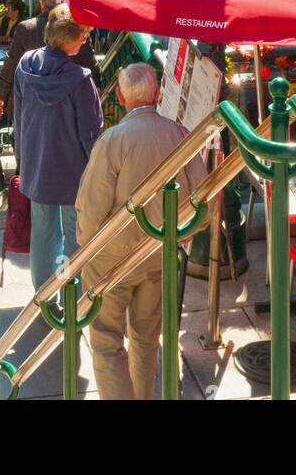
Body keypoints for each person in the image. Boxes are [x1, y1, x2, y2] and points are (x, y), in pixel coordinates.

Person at [75, 62, 208, 401]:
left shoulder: (112, 140)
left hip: (112, 258)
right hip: (159, 252)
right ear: (159, 94)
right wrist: (183, 235)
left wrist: (85, 250)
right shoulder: (179, 134)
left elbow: (91, 209)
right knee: (147, 338)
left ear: (118, 97)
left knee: (106, 342)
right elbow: (205, 196)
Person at [13, 3, 103, 293]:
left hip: (36, 164)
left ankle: (44, 294)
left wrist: (23, 160)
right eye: (82, 36)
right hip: (72, 171)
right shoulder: (80, 79)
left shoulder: (25, 65)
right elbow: (92, 135)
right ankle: (72, 292)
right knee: (73, 233)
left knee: (43, 232)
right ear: (68, 40)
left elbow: (18, 116)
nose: (85, 40)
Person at [0, 0, 99, 121]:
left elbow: (11, 65)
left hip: (28, 111)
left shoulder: (26, 29)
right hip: (67, 112)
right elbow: (92, 68)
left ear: (42, 4)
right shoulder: (78, 30)